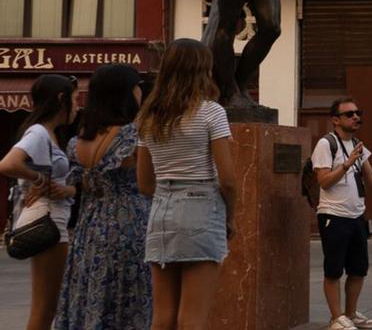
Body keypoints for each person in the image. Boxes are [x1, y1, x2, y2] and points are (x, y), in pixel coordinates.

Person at [136, 39, 238, 330]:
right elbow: (228, 179)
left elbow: (144, 183)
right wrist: (230, 217)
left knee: (163, 316)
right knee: (192, 318)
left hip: (161, 210)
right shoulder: (211, 112)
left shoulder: (148, 117)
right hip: (201, 206)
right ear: (202, 71)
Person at [55, 65, 152, 329]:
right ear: (125, 93)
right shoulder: (134, 134)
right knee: (130, 296)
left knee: (91, 291)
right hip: (131, 224)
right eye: (137, 86)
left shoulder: (78, 141)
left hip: (90, 227)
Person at [312, 97, 372, 330]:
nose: (356, 117)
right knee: (334, 269)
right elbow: (323, 181)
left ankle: (350, 314)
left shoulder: (358, 144)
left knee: (358, 269)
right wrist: (346, 164)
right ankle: (336, 317)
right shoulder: (326, 144)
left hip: (356, 216)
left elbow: (370, 176)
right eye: (349, 114)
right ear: (335, 120)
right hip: (333, 215)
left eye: (357, 113)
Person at [0, 74, 78, 330]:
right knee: (46, 308)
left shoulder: (47, 134)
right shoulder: (39, 132)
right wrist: (38, 178)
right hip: (49, 221)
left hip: (52, 217)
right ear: (61, 99)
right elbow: (8, 163)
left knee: (46, 307)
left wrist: (64, 189)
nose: (77, 106)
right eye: (75, 99)